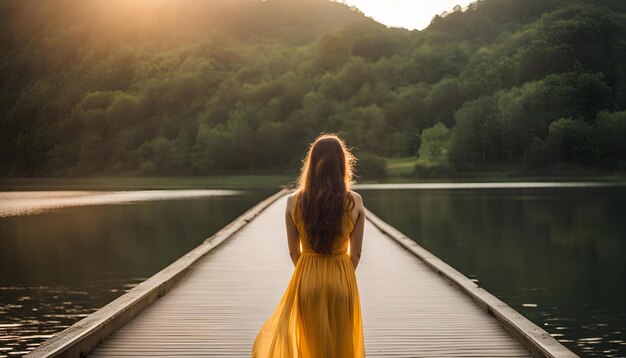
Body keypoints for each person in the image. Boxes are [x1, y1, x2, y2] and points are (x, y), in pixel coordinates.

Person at [251, 133, 366, 357]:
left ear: (312, 164)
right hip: (342, 279)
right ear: (342, 164)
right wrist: (340, 274)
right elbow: (357, 253)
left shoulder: (294, 202)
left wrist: (310, 272)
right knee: (341, 346)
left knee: (309, 346)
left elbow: (294, 252)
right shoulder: (355, 201)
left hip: (307, 279)